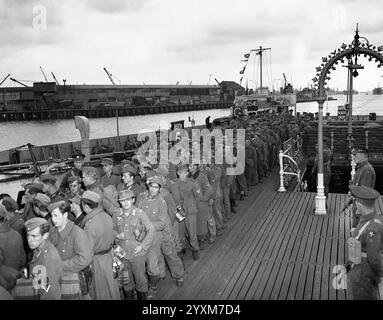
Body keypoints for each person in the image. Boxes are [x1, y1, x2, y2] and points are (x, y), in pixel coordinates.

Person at [114, 189, 155, 300]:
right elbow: (112, 229)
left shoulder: (140, 214)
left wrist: (143, 246)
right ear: (119, 202)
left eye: (128, 200)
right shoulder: (117, 213)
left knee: (140, 279)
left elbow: (151, 230)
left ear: (133, 200)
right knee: (126, 280)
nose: (125, 203)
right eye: (122, 201)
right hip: (122, 253)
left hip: (137, 254)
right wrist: (116, 235)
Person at [79, 191, 120, 300]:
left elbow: (87, 251)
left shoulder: (90, 225)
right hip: (109, 257)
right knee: (112, 287)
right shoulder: (106, 216)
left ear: (86, 206)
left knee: (100, 290)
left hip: (98, 262)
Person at [48, 201, 93, 300]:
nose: (53, 219)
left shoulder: (77, 233)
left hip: (74, 281)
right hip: (56, 279)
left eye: (56, 216)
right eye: (52, 216)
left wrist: (60, 265)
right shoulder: (52, 231)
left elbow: (85, 259)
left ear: (65, 215)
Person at [346, 185, 383, 300]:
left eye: (356, 201)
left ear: (360, 204)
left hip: (363, 272)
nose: (355, 203)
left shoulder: (372, 228)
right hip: (358, 265)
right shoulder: (370, 218)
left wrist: (380, 274)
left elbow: (374, 258)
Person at [26, 217, 63, 300]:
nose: (29, 240)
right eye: (28, 235)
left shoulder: (49, 259)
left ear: (45, 235)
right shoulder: (39, 248)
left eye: (34, 236)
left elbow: (51, 295)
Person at [350, 147, 376, 228]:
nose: (353, 158)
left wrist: (360, 208)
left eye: (355, 156)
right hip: (358, 202)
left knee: (358, 227)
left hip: (361, 204)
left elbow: (365, 191)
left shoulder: (366, 170)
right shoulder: (362, 167)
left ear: (362, 156)